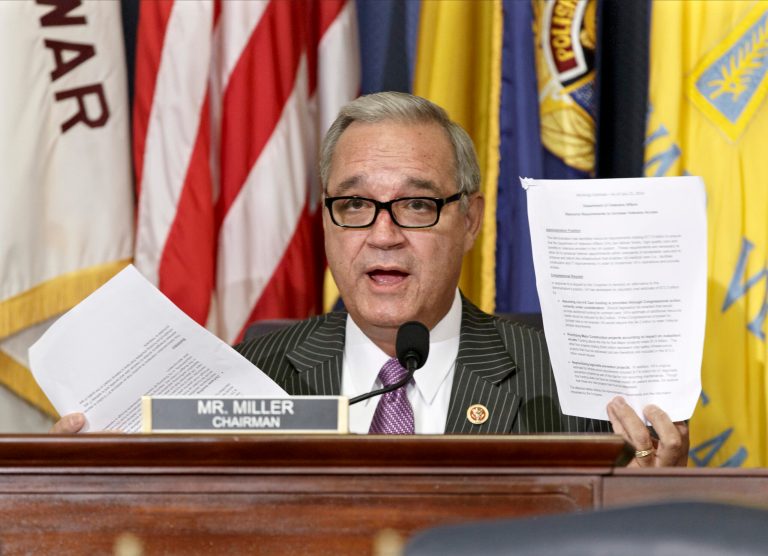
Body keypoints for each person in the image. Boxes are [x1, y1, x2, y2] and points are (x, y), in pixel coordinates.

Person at [53, 92, 688, 467]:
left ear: (470, 219)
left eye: (417, 205)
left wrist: (652, 501)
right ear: (327, 220)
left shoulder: (568, 384)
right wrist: (91, 483)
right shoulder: (257, 369)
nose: (382, 235)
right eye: (354, 205)